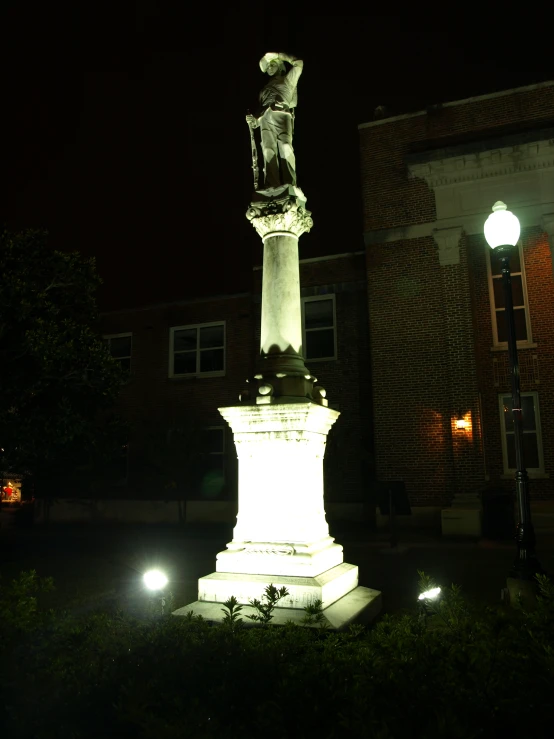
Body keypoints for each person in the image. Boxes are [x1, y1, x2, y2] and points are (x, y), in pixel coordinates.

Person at [246, 52, 303, 189]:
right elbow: (261, 109)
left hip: (282, 114)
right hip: (265, 119)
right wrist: (254, 120)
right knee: (267, 150)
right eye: (268, 66)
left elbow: (298, 63)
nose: (270, 68)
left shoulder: (287, 80)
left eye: (273, 65)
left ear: (280, 67)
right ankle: (272, 184)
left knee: (285, 146)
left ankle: (290, 183)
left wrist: (279, 55)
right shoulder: (264, 89)